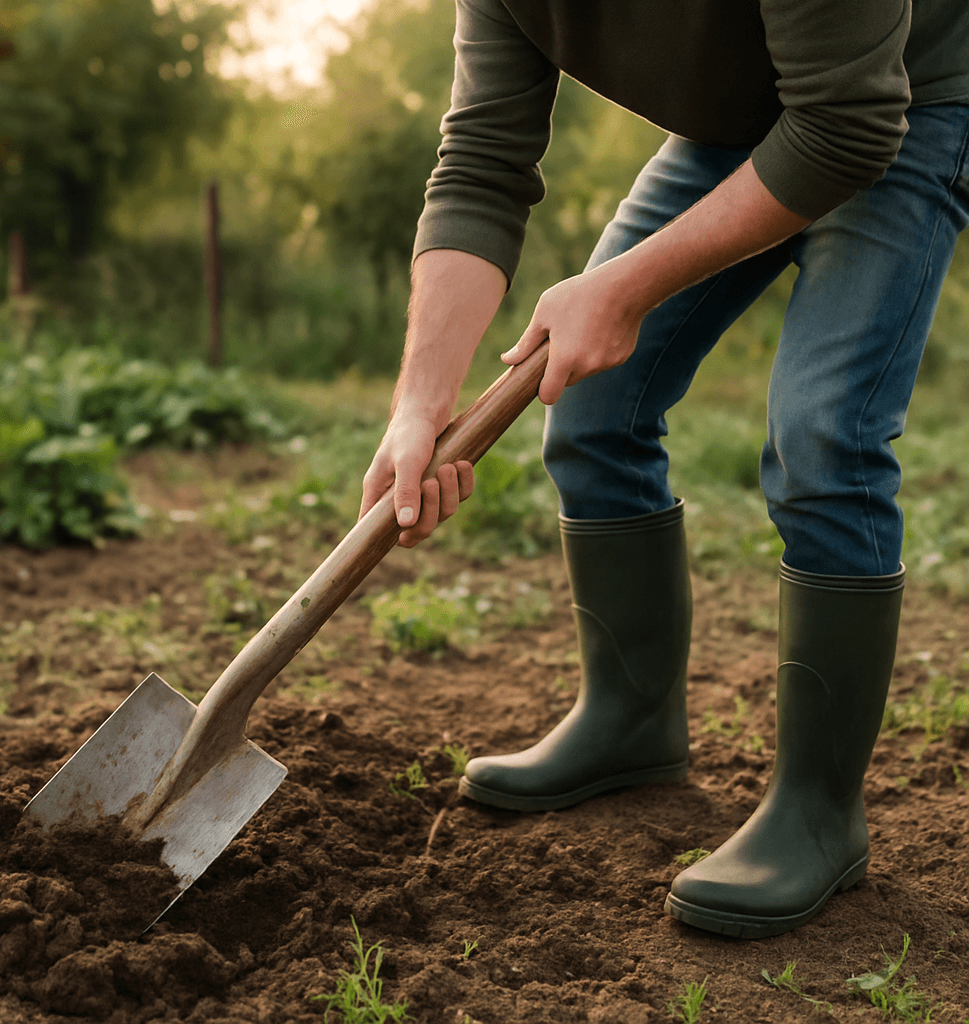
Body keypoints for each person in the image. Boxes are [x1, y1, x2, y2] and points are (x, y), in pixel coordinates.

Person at [359, 0, 969, 938]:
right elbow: (482, 159)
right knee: (593, 406)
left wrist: (623, 289)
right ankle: (629, 720)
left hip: (902, 102)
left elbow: (846, 125)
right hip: (740, 123)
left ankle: (818, 810)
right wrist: (418, 404)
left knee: (824, 435)